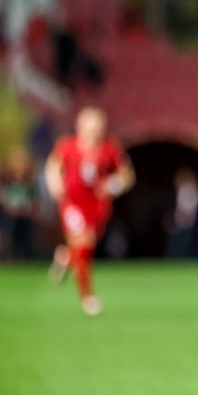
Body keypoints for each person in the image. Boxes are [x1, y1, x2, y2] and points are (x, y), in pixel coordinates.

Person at [44, 107, 134, 316]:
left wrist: (112, 186)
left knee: (84, 247)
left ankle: (66, 256)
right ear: (80, 127)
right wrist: (55, 184)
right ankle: (87, 297)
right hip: (72, 203)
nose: (94, 132)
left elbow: (127, 176)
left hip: (97, 206)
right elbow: (53, 166)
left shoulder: (110, 149)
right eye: (90, 127)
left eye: (98, 128)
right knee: (83, 244)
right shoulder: (67, 147)